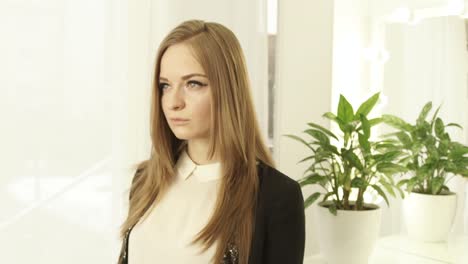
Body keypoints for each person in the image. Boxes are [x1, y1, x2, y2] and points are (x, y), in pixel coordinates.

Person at [117, 19, 305, 264]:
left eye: (193, 84)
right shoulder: (145, 180)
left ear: (228, 89)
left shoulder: (276, 197)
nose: (174, 102)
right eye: (165, 85)